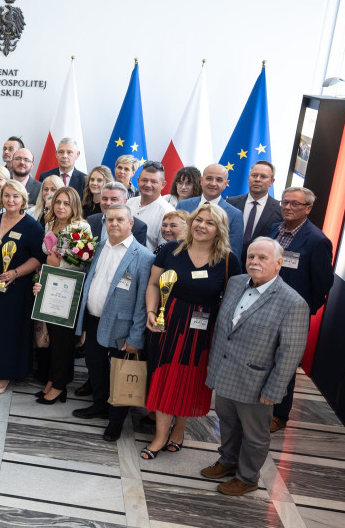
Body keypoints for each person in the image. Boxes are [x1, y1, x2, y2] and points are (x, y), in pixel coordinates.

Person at [202, 237, 309, 495]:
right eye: (251, 257)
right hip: (225, 373)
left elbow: (290, 353)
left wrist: (273, 391)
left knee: (254, 435)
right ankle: (227, 461)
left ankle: (247, 478)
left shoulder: (292, 303)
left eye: (263, 258)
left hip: (256, 383)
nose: (254, 262)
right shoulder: (236, 283)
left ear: (279, 264)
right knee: (227, 423)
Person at [141, 204, 240, 459]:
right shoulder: (170, 251)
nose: (201, 225)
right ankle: (161, 435)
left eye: (209, 222)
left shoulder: (229, 259)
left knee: (188, 379)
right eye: (198, 219)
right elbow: (153, 283)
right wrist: (152, 312)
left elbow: (232, 301)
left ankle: (180, 428)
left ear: (219, 230)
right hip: (168, 322)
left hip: (203, 330)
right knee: (165, 376)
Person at [69, 204, 154, 440]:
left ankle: (116, 421)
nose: (114, 224)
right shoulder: (97, 248)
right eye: (110, 220)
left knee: (121, 373)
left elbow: (141, 301)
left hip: (123, 327)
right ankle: (99, 405)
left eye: (119, 219)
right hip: (95, 320)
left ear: (131, 224)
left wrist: (136, 336)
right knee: (94, 365)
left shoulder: (144, 257)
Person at [266, 186, 334, 432]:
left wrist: (303, 309)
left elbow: (323, 283)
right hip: (265, 307)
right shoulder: (275, 229)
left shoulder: (317, 241)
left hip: (292, 313)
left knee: (285, 363)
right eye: (285, 202)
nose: (288, 207)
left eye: (295, 204)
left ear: (308, 208)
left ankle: (280, 415)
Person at [0, 179, 45, 395]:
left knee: (9, 330)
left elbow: (38, 258)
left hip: (17, 287)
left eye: (15, 196)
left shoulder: (32, 226)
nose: (11, 200)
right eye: (7, 195)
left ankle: (5, 374)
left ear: (23, 199)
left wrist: (15, 273)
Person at [34, 187, 90, 404]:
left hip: (68, 290)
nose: (61, 207)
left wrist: (61, 263)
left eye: (66, 203)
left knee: (63, 340)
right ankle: (52, 380)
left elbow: (84, 260)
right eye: (58, 202)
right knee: (53, 339)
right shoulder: (49, 224)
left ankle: (59, 385)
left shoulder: (81, 227)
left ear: (74, 205)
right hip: (50, 287)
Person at [176, 163, 244, 252]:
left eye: (219, 180)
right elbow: (175, 238)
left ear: (225, 184)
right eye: (209, 178)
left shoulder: (235, 214)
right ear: (201, 180)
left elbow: (233, 252)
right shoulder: (183, 205)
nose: (213, 183)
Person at [226, 160, 283, 261]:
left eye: (263, 177)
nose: (257, 179)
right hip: (229, 261)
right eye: (254, 175)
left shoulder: (279, 210)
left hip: (259, 265)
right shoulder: (230, 203)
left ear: (271, 182)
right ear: (248, 178)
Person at [127, 161, 173, 251]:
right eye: (144, 180)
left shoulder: (168, 213)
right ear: (138, 181)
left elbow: (163, 251)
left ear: (163, 185)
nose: (148, 185)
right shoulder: (128, 203)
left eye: (154, 182)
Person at [86, 182, 149, 248]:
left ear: (125, 201)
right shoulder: (91, 221)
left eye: (114, 199)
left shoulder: (138, 227)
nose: (108, 203)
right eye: (105, 199)